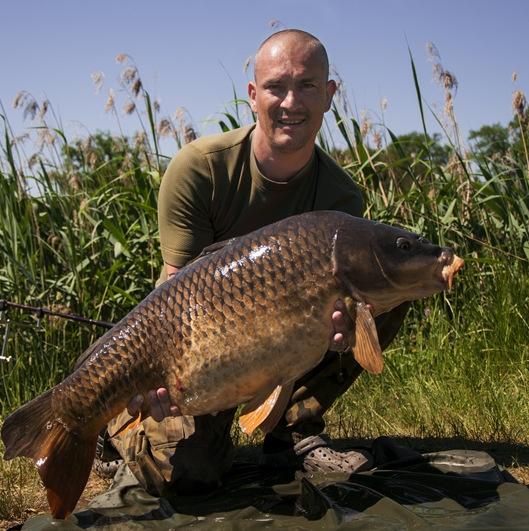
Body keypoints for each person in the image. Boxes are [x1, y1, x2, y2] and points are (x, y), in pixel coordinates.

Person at [94, 29, 409, 496]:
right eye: (276, 86)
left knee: (392, 279)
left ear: (329, 95)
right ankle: (109, 423)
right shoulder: (199, 169)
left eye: (307, 86)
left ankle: (290, 432)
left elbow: (344, 320)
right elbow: (175, 304)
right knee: (186, 476)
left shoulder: (341, 198)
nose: (290, 102)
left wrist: (345, 335)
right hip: (198, 351)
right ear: (252, 95)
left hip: (282, 341)